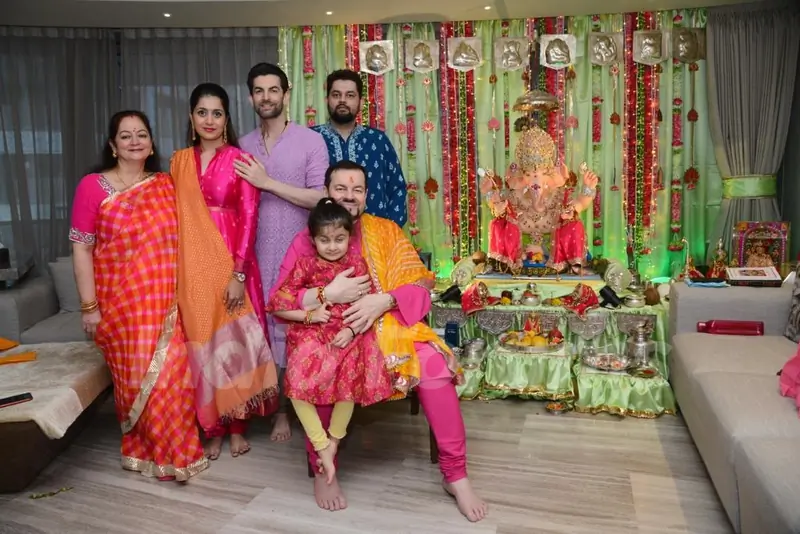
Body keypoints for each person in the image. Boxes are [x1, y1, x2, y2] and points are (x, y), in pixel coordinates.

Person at [248, 160, 487, 522]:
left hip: (390, 329)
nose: (348, 196)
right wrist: (325, 293)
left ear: (366, 195)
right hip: (331, 332)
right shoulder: (309, 237)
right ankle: (324, 468)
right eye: (340, 189)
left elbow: (420, 292)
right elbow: (282, 300)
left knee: (436, 366)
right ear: (327, 193)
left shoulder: (386, 231)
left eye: (356, 189)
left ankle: (456, 475)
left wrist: (384, 301)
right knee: (322, 369)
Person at [70, 110, 207, 481]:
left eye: (141, 134)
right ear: (113, 146)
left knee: (172, 379)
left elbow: (188, 236)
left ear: (150, 144)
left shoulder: (165, 184)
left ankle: (176, 455)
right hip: (120, 307)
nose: (134, 141)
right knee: (134, 383)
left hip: (164, 305)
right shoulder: (92, 187)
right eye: (125, 135)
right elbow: (82, 249)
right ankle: (144, 450)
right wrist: (89, 307)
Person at [171, 83, 279, 460]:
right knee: (202, 346)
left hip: (232, 262)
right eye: (202, 112)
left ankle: (237, 425)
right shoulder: (178, 162)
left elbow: (249, 218)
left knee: (233, 345)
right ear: (191, 117)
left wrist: (237, 274)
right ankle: (211, 427)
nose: (210, 120)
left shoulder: (239, 160)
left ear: (227, 118)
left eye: (217, 113)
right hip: (192, 269)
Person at [266, 198, 395, 483]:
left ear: (350, 237)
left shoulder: (357, 266)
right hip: (311, 335)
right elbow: (277, 304)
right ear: (313, 240)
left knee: (346, 388)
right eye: (325, 240)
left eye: (339, 238)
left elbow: (367, 306)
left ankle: (334, 440)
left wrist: (350, 331)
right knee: (297, 387)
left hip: (348, 334)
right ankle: (321, 444)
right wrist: (311, 315)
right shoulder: (305, 266)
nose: (333, 246)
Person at [236, 62, 329, 443]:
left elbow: (320, 198)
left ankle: (289, 413)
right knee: (258, 330)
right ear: (250, 97)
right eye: (259, 91)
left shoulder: (310, 142)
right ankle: (268, 407)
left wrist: (267, 182)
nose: (267, 97)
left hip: (299, 251)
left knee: (295, 332)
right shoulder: (241, 145)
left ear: (286, 95)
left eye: (274, 90)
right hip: (254, 253)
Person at [312, 69, 407, 227]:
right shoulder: (311, 139)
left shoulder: (377, 140)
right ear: (326, 100)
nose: (342, 100)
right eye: (336, 95)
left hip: (374, 239)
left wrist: (388, 232)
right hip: (325, 240)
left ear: (361, 102)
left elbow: (397, 188)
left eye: (350, 95)